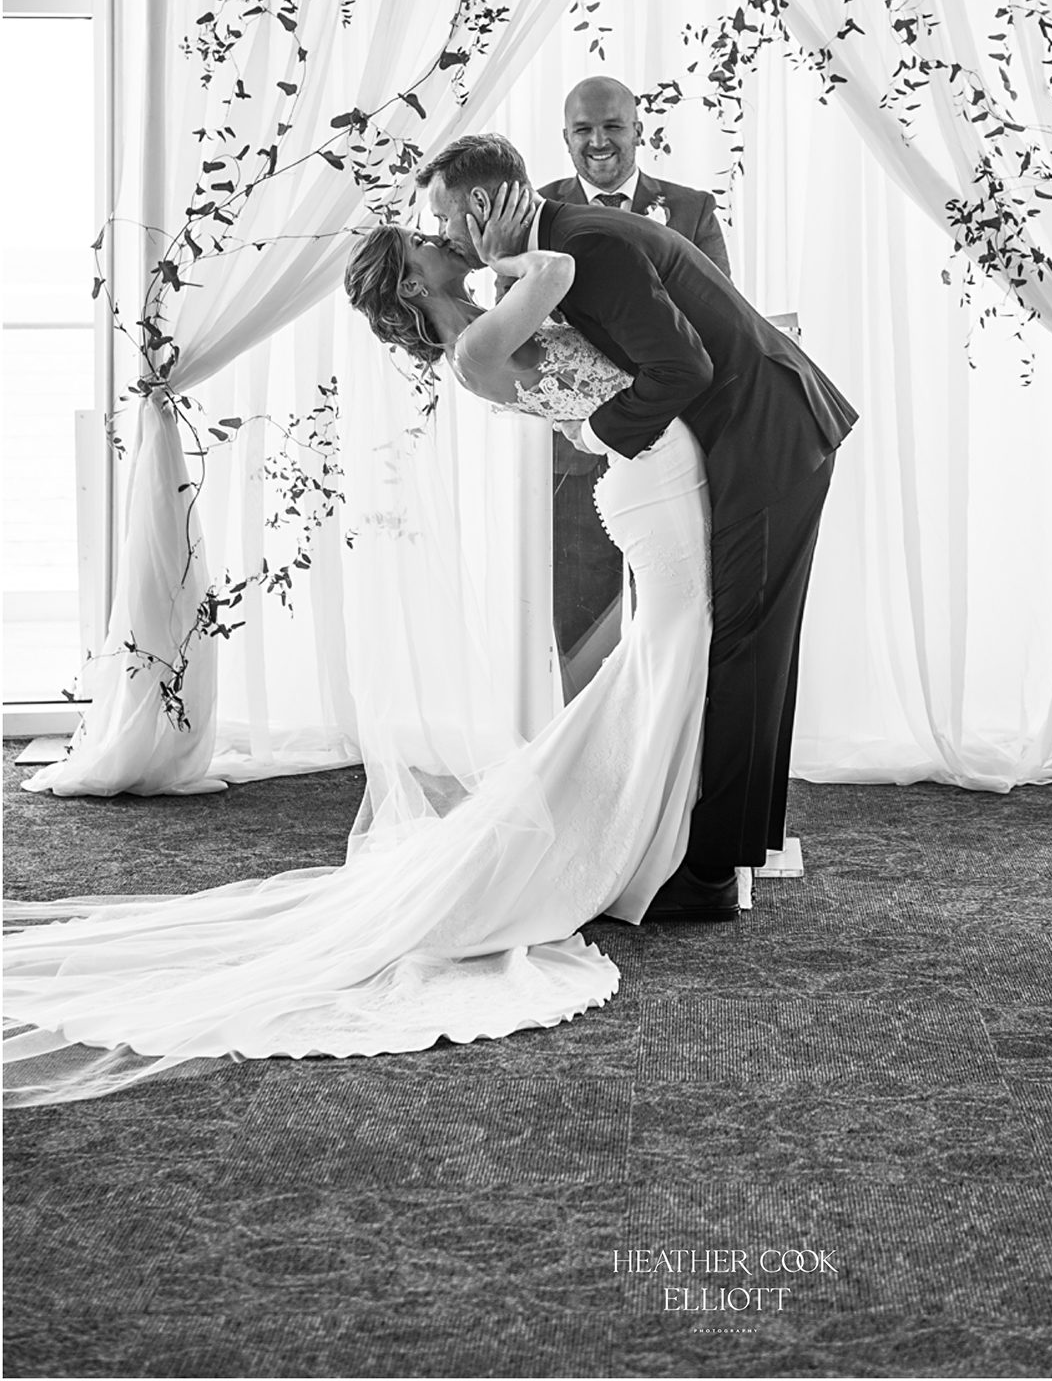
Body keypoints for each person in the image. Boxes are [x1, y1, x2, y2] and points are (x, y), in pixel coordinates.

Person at [3, 194, 715, 1103]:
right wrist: (503, 245)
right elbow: (557, 270)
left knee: (662, 655)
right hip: (649, 480)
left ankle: (644, 829)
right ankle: (638, 837)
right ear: (413, 289)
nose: (443, 241)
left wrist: (491, 259)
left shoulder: (485, 325)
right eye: (426, 244)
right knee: (672, 649)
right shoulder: (475, 348)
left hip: (652, 470)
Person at [423, 132, 857, 922]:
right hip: (747, 434)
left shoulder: (586, 245)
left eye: (445, 218)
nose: (445, 236)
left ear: (480, 203)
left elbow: (683, 369)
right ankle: (718, 851)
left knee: (743, 649)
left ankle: (710, 875)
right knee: (736, 646)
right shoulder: (565, 245)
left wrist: (596, 434)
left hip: (770, 433)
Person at [540, 76, 731, 684]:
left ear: (638, 130)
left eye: (612, 126)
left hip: (676, 437)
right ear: (565, 137)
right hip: (577, 449)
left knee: (676, 606)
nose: (598, 141)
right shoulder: (537, 211)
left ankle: (668, 721)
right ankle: (587, 726)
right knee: (581, 612)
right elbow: (522, 327)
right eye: (583, 130)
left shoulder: (691, 209)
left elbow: (719, 313)